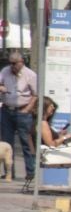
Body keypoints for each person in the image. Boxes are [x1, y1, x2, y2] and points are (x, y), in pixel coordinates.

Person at [0, 50, 39, 182]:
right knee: (6, 143)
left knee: (25, 143)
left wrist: (27, 109)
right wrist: (1, 88)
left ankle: (30, 172)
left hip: (22, 112)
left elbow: (35, 94)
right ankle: (9, 173)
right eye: (10, 63)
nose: (12, 66)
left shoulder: (30, 75)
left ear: (21, 62)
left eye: (14, 63)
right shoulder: (5, 71)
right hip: (7, 110)